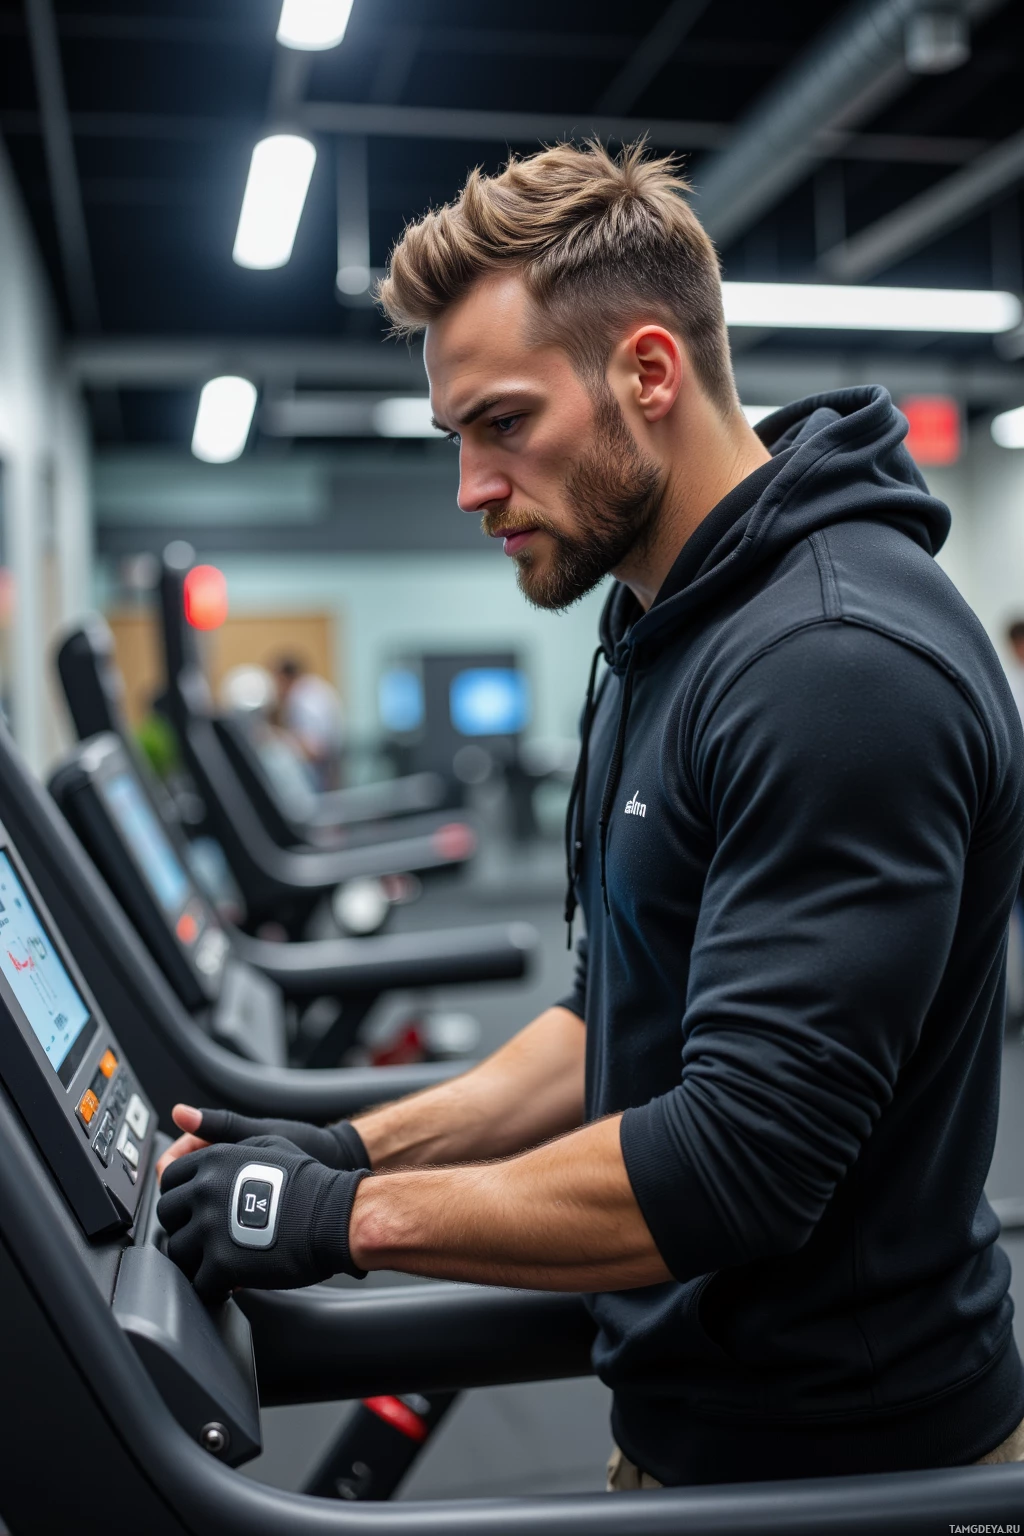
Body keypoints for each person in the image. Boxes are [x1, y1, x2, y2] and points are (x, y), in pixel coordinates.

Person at [155, 141, 1024, 1490]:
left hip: (845, 1467)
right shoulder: (662, 622)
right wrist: (344, 1147)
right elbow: (612, 1016)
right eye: (458, 438)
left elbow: (740, 1159)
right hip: (697, 1423)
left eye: (503, 423)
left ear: (650, 372)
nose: (471, 488)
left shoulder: (832, 667)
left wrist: (342, 1218)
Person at [272, 655, 345, 791]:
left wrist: (280, 740)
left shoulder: (301, 699)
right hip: (332, 765)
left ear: (285, 677)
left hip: (318, 773)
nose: (277, 689)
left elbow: (315, 750)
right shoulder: (316, 687)